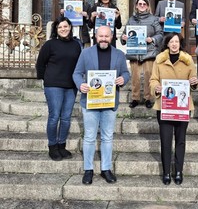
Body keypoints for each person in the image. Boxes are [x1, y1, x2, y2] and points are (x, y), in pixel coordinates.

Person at [72, 26, 130, 185]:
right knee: (90, 137)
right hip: (90, 102)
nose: (103, 39)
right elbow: (76, 73)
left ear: (112, 37)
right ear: (95, 36)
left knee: (107, 137)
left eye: (107, 36)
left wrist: (123, 79)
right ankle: (88, 169)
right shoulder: (86, 53)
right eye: (101, 36)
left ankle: (106, 169)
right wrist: (80, 85)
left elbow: (126, 73)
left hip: (110, 103)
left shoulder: (119, 55)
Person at [150, 32, 198, 185]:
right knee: (165, 140)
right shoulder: (159, 60)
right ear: (167, 44)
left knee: (180, 140)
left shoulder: (188, 60)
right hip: (165, 106)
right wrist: (155, 87)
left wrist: (193, 82)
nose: (174, 44)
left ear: (180, 43)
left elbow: (194, 81)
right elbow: (153, 79)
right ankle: (166, 172)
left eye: (177, 41)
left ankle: (178, 171)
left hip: (182, 106)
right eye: (171, 42)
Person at [36, 17, 82, 161]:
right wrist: (48, 80)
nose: (63, 29)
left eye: (65, 26)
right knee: (54, 116)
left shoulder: (77, 44)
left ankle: (61, 145)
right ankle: (52, 146)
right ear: (56, 29)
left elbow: (81, 63)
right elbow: (40, 64)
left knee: (66, 118)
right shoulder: (50, 44)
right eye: (60, 27)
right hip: (54, 85)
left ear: (70, 27)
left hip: (71, 86)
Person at [121, 0, 163, 109]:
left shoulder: (153, 19)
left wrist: (152, 39)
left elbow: (160, 33)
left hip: (148, 52)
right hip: (134, 52)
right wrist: (124, 38)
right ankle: (135, 98)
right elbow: (124, 34)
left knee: (149, 75)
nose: (142, 6)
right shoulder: (131, 19)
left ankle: (148, 98)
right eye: (140, 4)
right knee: (135, 77)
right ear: (136, 6)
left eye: (144, 4)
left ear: (148, 6)